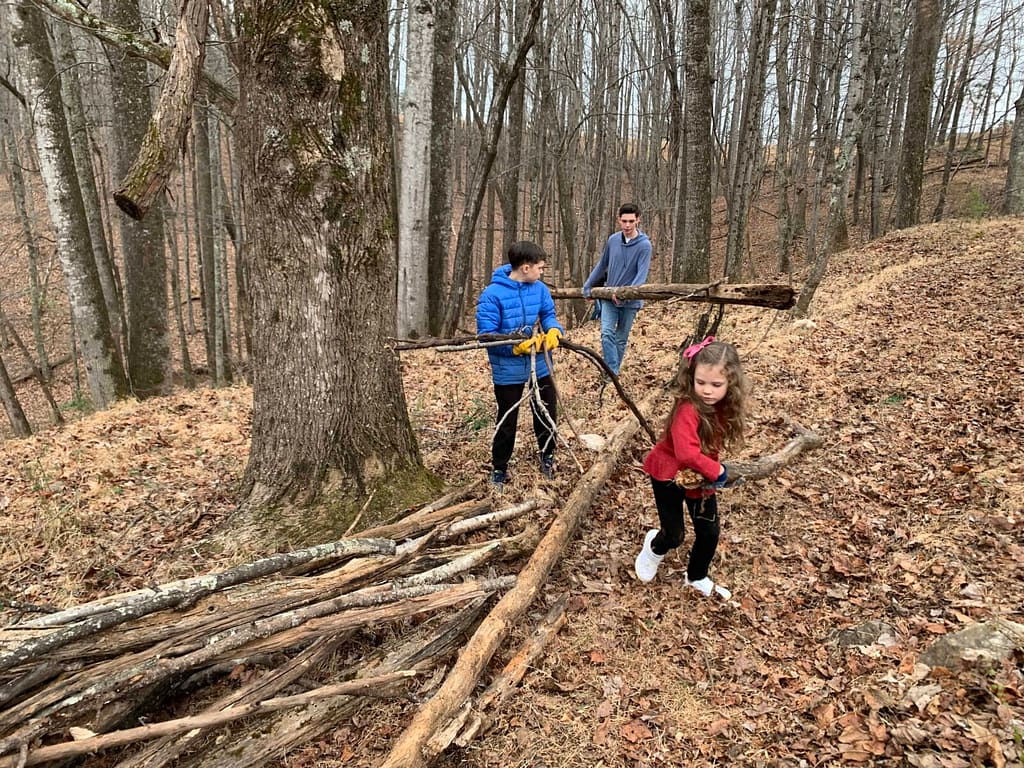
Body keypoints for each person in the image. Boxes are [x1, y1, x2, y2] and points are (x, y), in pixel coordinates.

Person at [633, 337, 749, 598]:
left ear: (731, 384)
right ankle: (654, 547)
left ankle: (696, 576)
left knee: (709, 531)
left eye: (716, 385)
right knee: (674, 535)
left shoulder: (720, 406)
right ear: (691, 378)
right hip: (668, 474)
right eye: (701, 383)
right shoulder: (688, 408)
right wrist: (717, 471)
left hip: (700, 476)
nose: (707, 390)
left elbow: (709, 446)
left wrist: (711, 472)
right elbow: (686, 453)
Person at [476, 241, 565, 488]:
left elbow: (548, 314)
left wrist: (554, 331)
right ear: (525, 267)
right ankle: (499, 468)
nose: (542, 272)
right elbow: (487, 335)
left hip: (541, 363)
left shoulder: (539, 289)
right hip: (507, 369)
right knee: (507, 419)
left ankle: (547, 455)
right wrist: (515, 347)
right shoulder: (491, 296)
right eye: (540, 267)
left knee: (546, 411)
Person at [582, 203, 652, 376]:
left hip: (631, 301)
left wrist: (626, 296)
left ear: (638, 220)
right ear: (618, 220)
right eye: (624, 221)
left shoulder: (644, 246)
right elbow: (602, 264)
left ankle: (612, 375)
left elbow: (641, 276)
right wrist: (588, 285)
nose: (627, 225)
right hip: (608, 297)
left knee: (621, 339)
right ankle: (612, 372)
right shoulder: (613, 240)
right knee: (606, 334)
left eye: (631, 221)